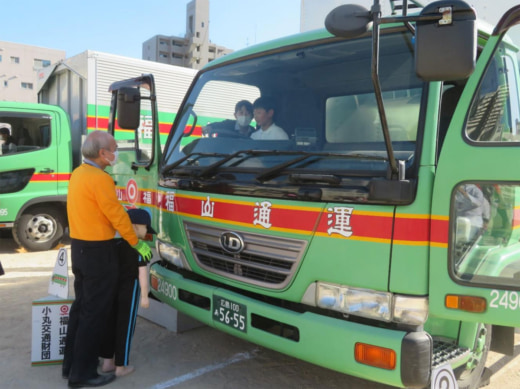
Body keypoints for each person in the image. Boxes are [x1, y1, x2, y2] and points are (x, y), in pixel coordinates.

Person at [62, 130, 152, 388]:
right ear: (102, 153)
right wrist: (136, 243)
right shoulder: (100, 179)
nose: (116, 152)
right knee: (94, 314)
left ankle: (71, 366)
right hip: (98, 253)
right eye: (113, 148)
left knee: (81, 309)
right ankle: (82, 375)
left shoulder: (78, 173)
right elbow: (116, 215)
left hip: (79, 248)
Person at [99, 208, 155, 378]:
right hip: (129, 291)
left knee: (110, 324)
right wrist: (145, 296)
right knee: (126, 326)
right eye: (146, 228)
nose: (146, 233)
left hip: (111, 290)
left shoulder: (114, 244)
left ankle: (108, 361)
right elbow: (142, 274)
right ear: (137, 227)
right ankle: (120, 366)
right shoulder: (139, 248)